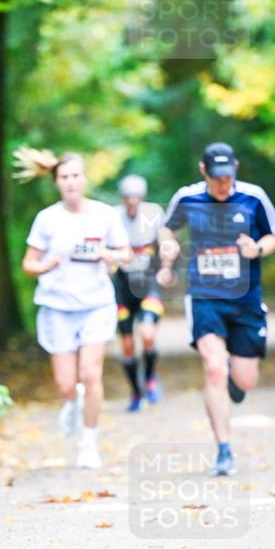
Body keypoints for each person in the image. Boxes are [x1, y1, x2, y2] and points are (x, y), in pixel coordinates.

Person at [157, 142, 275, 476]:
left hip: (246, 300)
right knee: (214, 367)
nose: (223, 185)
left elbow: (274, 236)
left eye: (228, 178)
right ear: (203, 171)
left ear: (236, 169)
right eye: (216, 179)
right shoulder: (188, 198)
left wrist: (256, 247)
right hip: (205, 296)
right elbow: (167, 227)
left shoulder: (254, 197)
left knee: (245, 380)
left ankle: (234, 381)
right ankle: (223, 450)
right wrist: (168, 249)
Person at [19, 149, 129, 469]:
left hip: (96, 304)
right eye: (64, 177)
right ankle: (71, 401)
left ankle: (89, 443)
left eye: (76, 176)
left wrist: (113, 256)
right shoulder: (47, 219)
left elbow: (126, 254)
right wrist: (45, 265)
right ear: (57, 182)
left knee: (90, 374)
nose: (70, 182)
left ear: (84, 179)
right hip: (57, 306)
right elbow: (28, 264)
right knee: (67, 384)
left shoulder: (105, 215)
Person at [113, 174, 165, 411]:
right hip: (122, 285)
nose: (132, 201)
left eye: (136, 197)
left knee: (147, 333)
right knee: (126, 343)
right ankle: (135, 392)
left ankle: (151, 378)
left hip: (147, 282)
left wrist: (166, 268)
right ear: (122, 198)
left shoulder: (154, 213)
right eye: (127, 197)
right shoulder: (113, 216)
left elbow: (166, 242)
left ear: (142, 197)